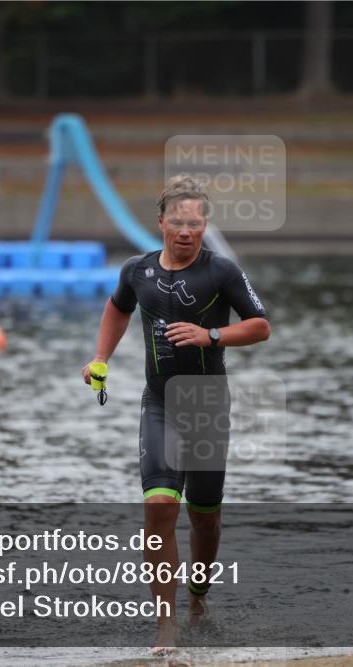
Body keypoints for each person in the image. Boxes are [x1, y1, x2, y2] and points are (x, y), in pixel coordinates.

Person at [82, 174, 270, 654]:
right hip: (160, 403)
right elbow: (116, 310)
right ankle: (166, 625)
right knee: (160, 505)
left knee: (205, 518)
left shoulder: (221, 272)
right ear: (161, 221)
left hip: (207, 406)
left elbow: (260, 326)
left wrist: (211, 336)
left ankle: (198, 598)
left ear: (205, 224)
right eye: (178, 222)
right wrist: (100, 358)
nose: (186, 231)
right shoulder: (136, 272)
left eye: (196, 223)